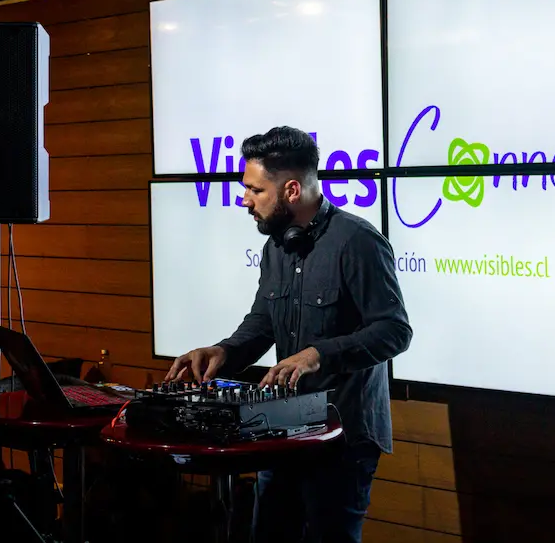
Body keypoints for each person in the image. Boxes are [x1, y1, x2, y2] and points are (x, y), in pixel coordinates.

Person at [164, 126, 413, 543]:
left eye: (255, 190)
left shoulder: (358, 242)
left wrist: (318, 354)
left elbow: (394, 331)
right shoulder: (276, 246)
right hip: (283, 430)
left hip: (342, 436)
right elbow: (263, 322)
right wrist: (224, 351)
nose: (244, 199)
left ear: (292, 190)